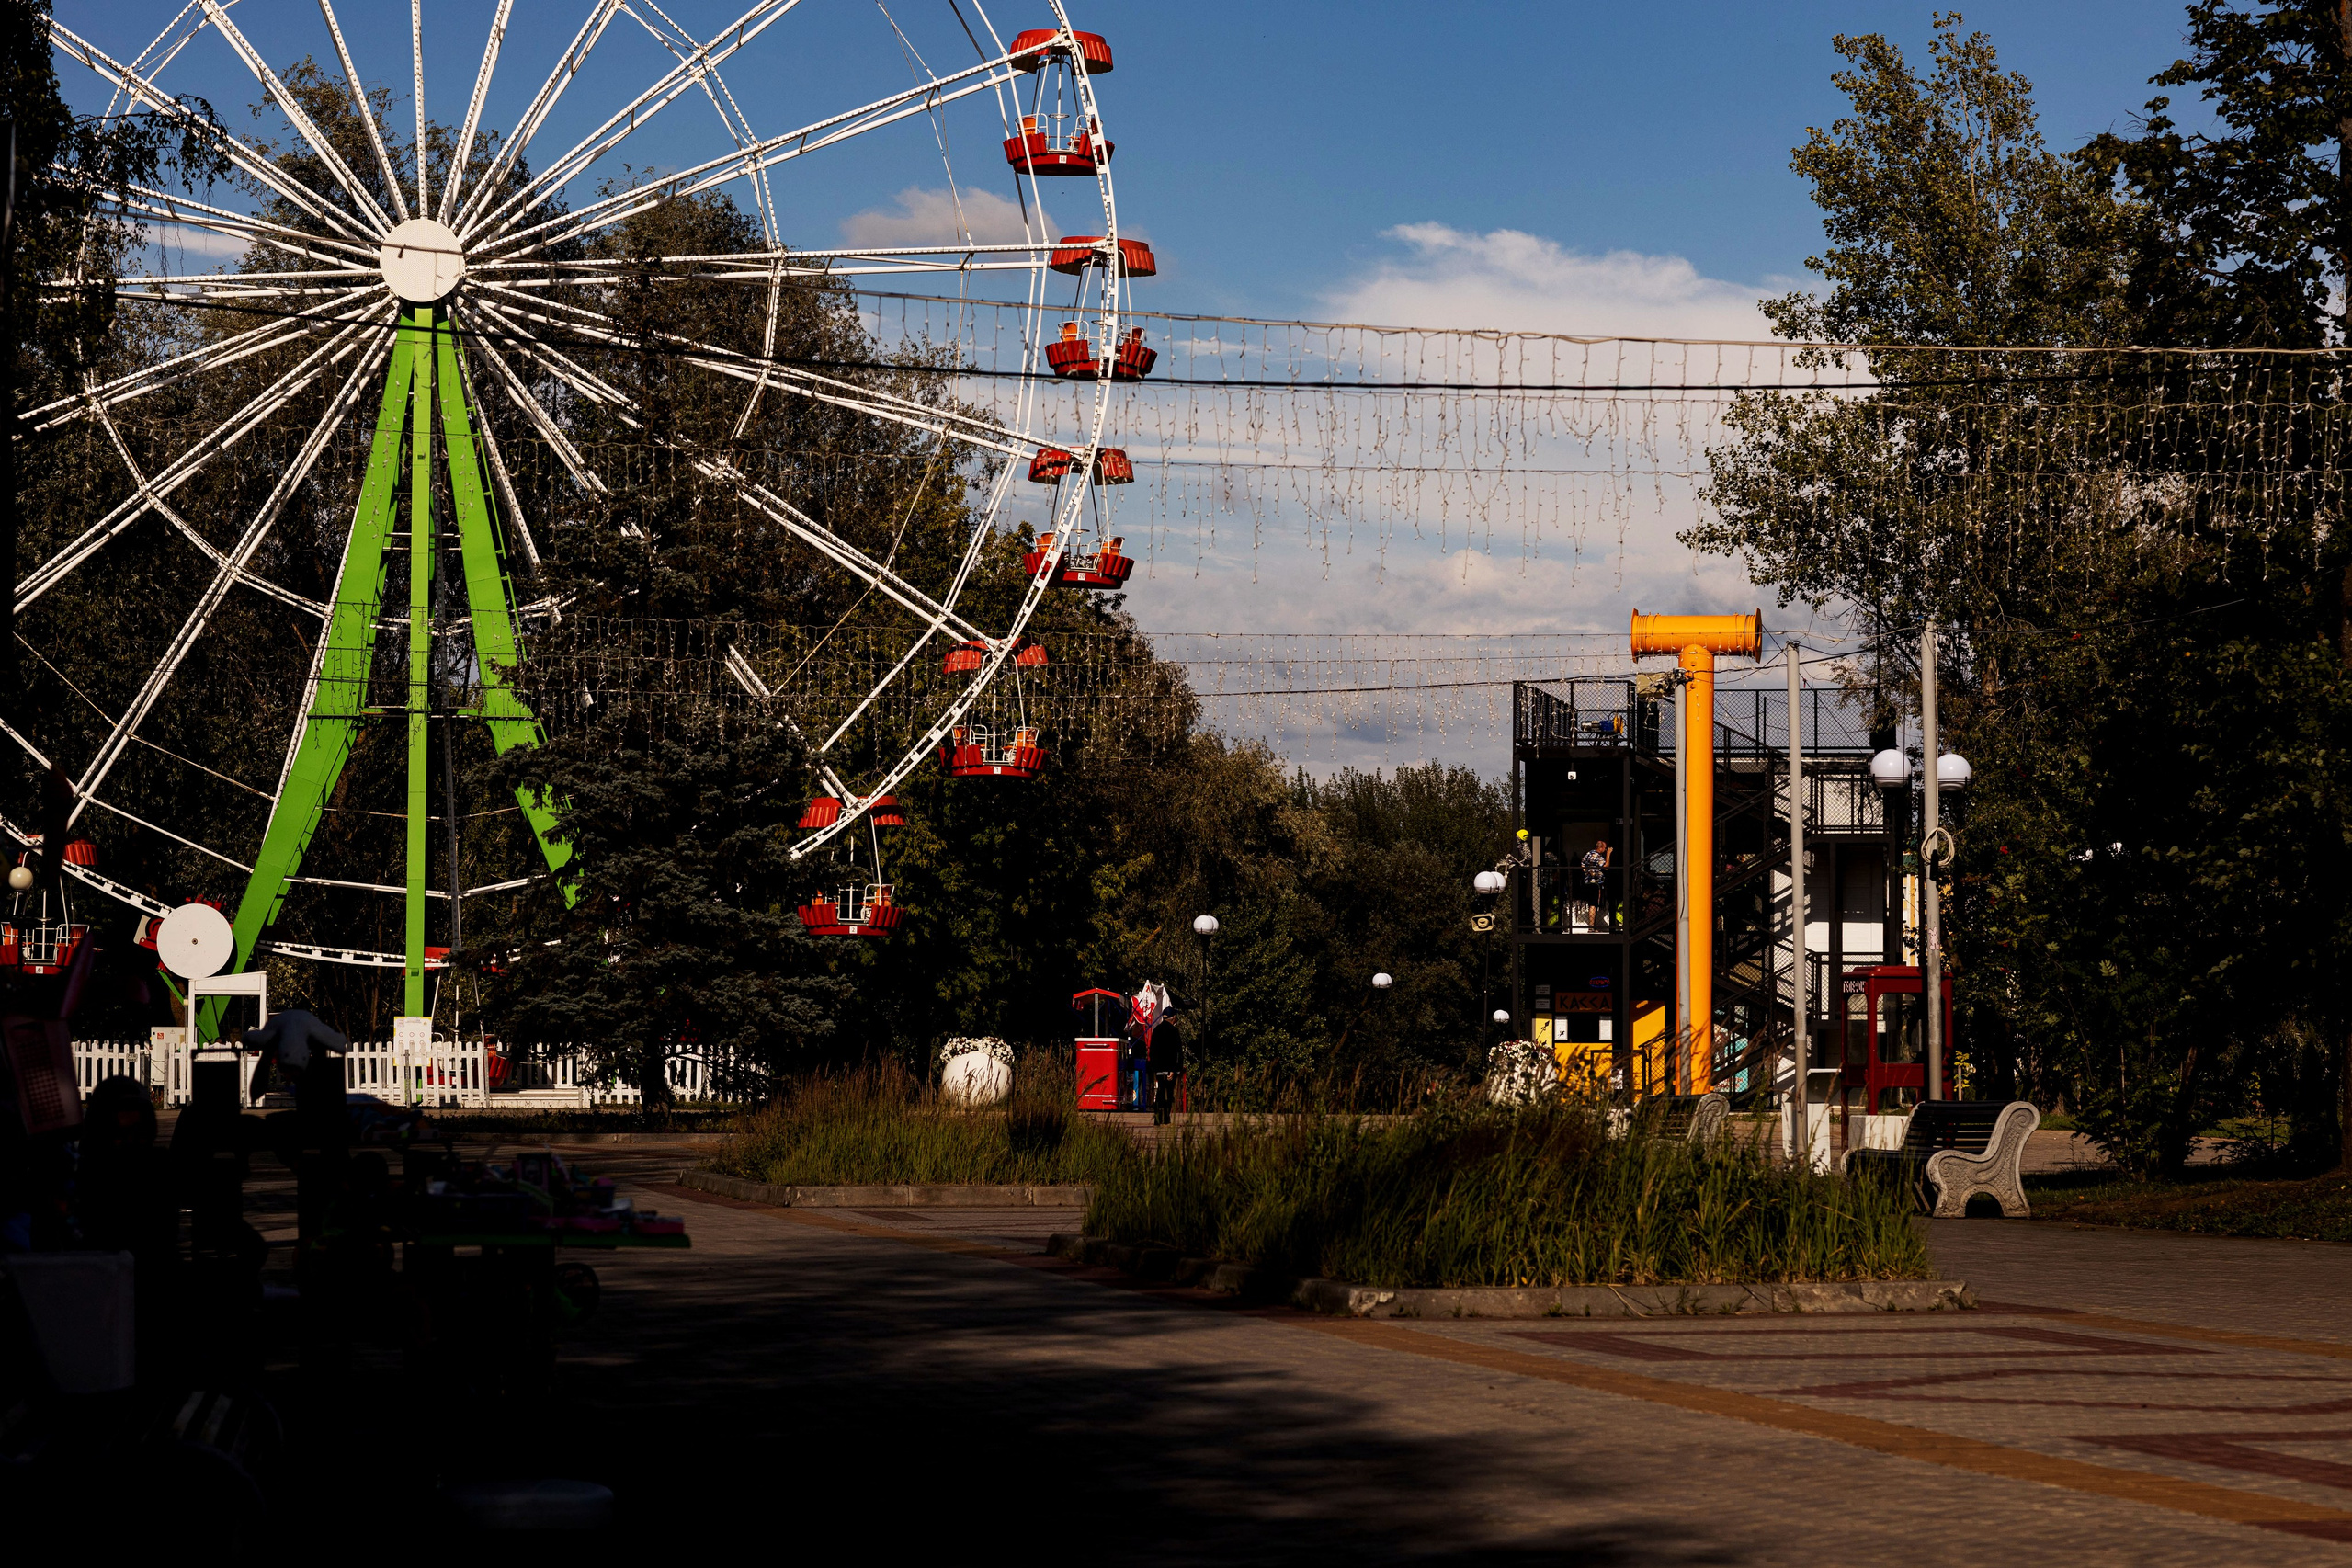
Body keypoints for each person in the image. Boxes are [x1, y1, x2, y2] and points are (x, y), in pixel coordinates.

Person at [1581, 837, 1615, 931]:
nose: (1605, 850)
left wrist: (1588, 872)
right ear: (1600, 848)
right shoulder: (1598, 856)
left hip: (1587, 882)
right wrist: (1608, 854)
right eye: (1604, 848)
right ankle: (1591, 927)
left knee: (1592, 903)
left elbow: (1582, 865)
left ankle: (1592, 926)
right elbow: (1606, 867)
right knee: (1593, 904)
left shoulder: (1588, 854)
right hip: (1595, 883)